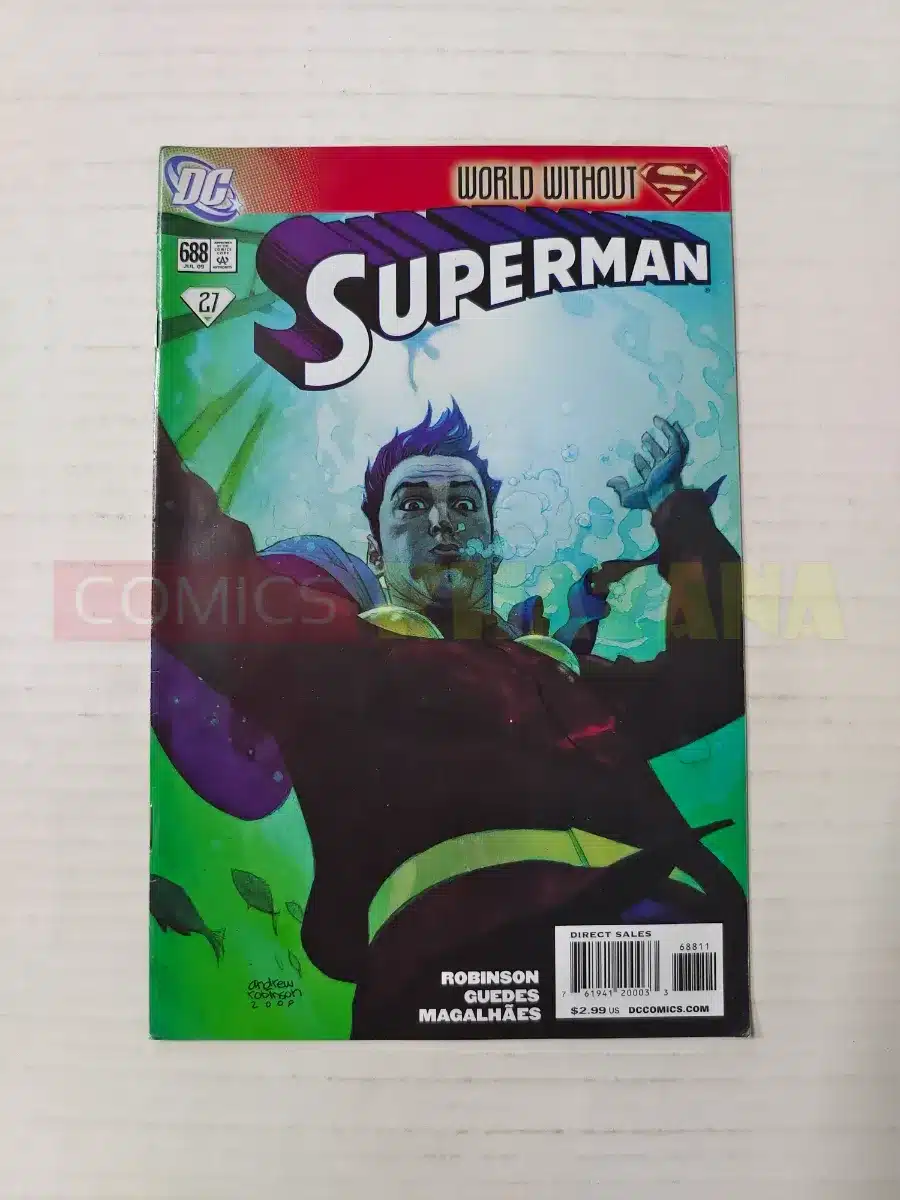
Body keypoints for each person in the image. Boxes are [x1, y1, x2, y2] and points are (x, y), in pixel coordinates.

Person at [153, 401, 747, 1037]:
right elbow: (202, 571)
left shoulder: (565, 677)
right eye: (412, 504)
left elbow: (715, 675)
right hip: (453, 964)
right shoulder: (336, 659)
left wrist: (673, 508)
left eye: (465, 505)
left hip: (670, 951)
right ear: (375, 552)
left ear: (494, 546)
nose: (443, 521)